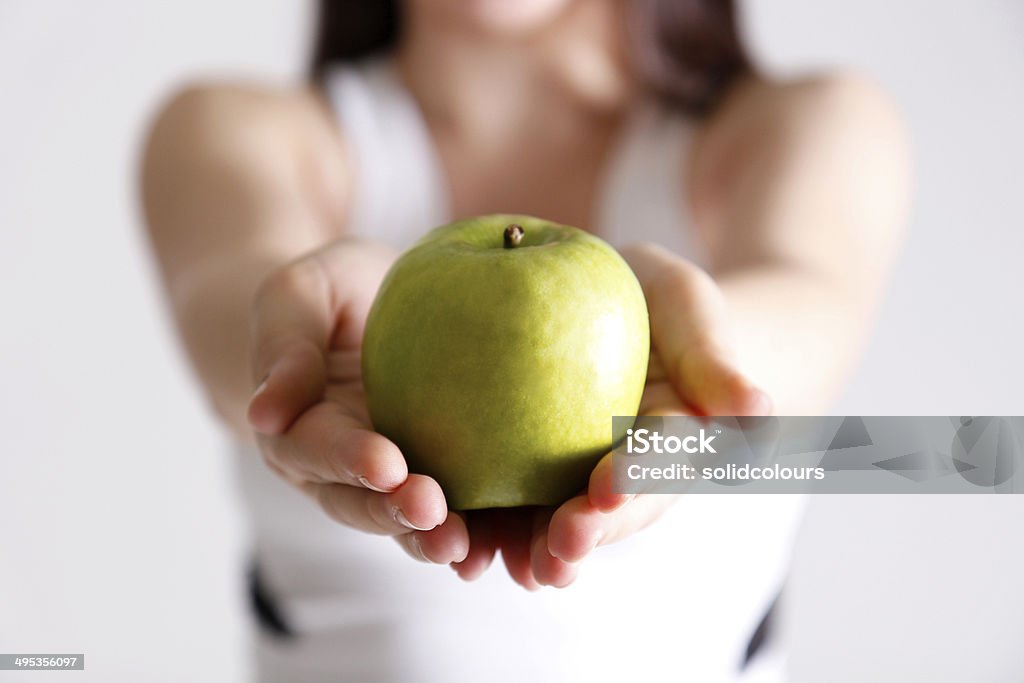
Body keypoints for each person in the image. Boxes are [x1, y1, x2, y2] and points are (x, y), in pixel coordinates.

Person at [141, 0, 909, 680]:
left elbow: (812, 304)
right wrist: (289, 330)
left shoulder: (803, 123)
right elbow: (227, 303)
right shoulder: (233, 128)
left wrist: (695, 343)